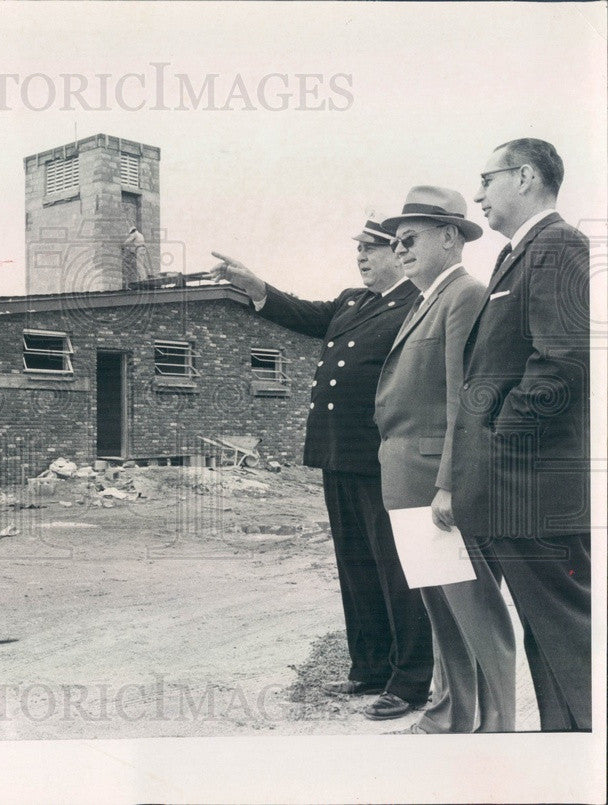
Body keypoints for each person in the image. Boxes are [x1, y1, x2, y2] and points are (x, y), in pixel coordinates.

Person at [211, 219, 433, 721]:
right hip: (338, 454)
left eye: (371, 248)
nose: (361, 256)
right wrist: (257, 288)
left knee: (397, 571)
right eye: (358, 248)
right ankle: (371, 667)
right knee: (357, 567)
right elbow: (303, 314)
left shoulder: (416, 303)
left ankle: (412, 680)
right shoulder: (352, 301)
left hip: (382, 456)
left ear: (399, 253)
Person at [453, 138, 591, 731]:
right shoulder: (520, 251)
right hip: (521, 486)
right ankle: (566, 747)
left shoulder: (556, 244)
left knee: (566, 629)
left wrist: (501, 438)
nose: (479, 193)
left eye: (487, 178)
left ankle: (588, 749)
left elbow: (561, 362)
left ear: (526, 176)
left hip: (531, 484)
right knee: (549, 630)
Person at [375, 186, 514, 733]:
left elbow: (466, 398)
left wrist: (451, 483)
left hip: (437, 484)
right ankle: (449, 718)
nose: (400, 247)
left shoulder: (464, 294)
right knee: (443, 615)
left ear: (451, 237)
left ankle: (499, 730)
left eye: (411, 237)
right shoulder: (426, 298)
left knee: (475, 612)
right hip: (408, 480)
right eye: (397, 240)